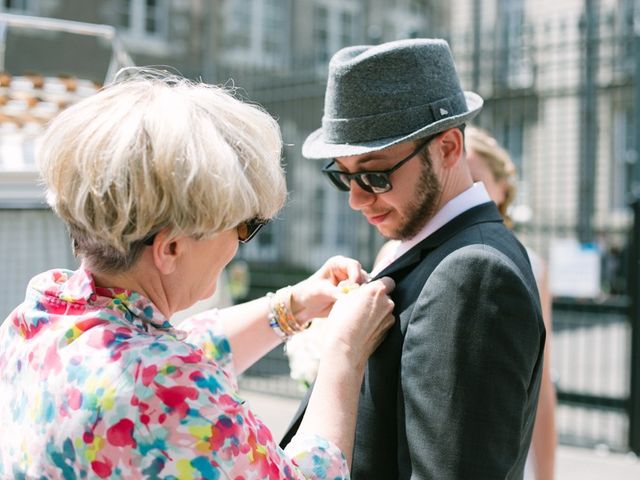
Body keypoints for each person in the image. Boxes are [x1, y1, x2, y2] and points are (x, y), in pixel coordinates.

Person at [0, 69, 396, 479]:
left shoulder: (39, 315)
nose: (240, 244)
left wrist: (291, 306)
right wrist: (345, 352)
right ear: (171, 248)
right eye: (243, 225)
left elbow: (187, 346)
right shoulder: (160, 387)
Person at [280, 38, 545, 479]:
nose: (358, 199)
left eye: (375, 174)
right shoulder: (431, 248)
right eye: (343, 177)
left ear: (447, 149)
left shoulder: (473, 275)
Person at [465, 126, 557, 480]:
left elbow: (542, 379)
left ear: (502, 187)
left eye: (475, 180)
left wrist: (547, 475)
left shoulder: (532, 266)